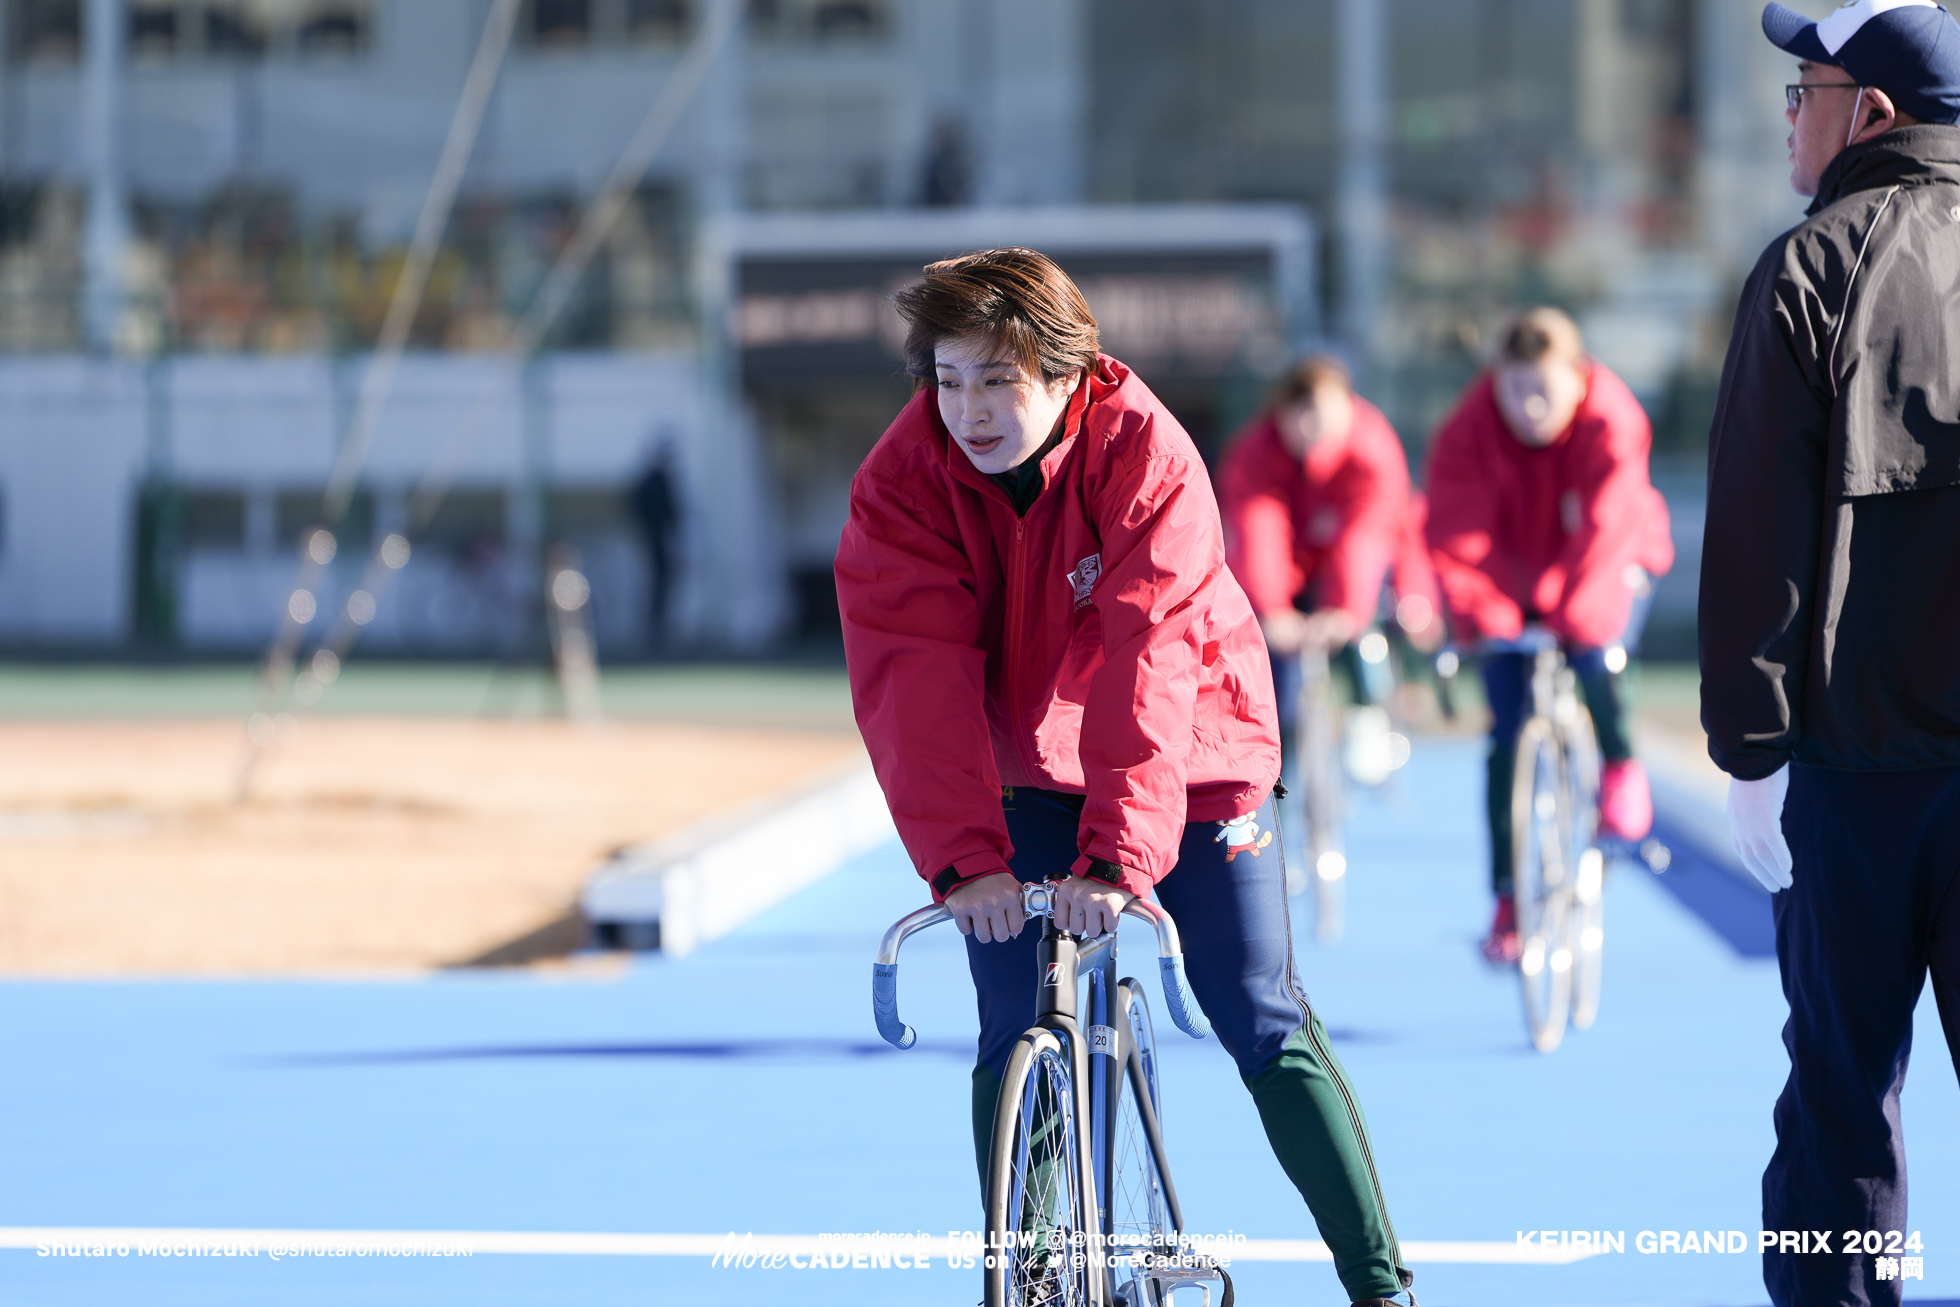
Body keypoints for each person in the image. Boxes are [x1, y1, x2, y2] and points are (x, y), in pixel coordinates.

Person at [835, 248, 1415, 1307]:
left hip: (1193, 752)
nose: (968, 408)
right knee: (1015, 1017)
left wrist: (1118, 855)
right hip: (1024, 764)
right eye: (949, 379)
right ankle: (1033, 1276)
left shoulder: (1145, 451)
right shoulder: (902, 479)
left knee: (1255, 1009)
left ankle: (1381, 1286)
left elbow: (1151, 658)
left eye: (997, 380)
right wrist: (964, 864)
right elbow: (909, 679)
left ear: (1069, 372)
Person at [1701, 5, 1960, 1304]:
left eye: (1801, 86)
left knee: (1843, 1097)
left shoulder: (1813, 264)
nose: (1785, 112)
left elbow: (1756, 528)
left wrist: (1749, 746)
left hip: (1856, 771)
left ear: (1867, 111)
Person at [1424, 307, 1674, 963]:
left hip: (1607, 561)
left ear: (1577, 378)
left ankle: (1621, 766)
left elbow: (1607, 526)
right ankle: (1508, 897)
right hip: (1514, 575)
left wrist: (1575, 616)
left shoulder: (1612, 418)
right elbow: (1456, 530)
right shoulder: (1469, 427)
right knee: (1505, 733)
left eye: (1543, 390)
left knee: (1600, 649)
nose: (1528, 406)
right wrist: (1487, 613)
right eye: (1514, 389)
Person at [1217, 355, 1441, 784]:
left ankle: (1367, 710)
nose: (1315, 428)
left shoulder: (1373, 447)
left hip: (1357, 562)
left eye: (1327, 414)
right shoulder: (1252, 454)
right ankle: (1269, 739)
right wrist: (1271, 609)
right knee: (1262, 641)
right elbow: (1257, 531)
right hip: (1292, 562)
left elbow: (1366, 537)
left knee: (1371, 617)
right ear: (1282, 415)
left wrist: (1346, 610)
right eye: (1302, 416)